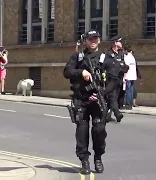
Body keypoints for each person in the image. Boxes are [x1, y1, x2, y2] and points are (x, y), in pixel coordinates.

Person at [63, 30, 106, 175]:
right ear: (86, 41)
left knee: (99, 131)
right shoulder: (78, 56)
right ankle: (84, 161)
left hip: (99, 100)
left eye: (95, 38)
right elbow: (67, 71)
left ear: (99, 40)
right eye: (90, 39)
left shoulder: (105, 57)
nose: (92, 41)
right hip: (81, 99)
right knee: (82, 131)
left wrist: (102, 94)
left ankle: (98, 158)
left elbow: (114, 79)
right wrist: (81, 72)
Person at [101, 36, 127, 122]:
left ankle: (106, 115)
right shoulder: (107, 53)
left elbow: (124, 65)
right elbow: (101, 65)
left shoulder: (120, 54)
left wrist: (124, 69)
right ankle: (117, 113)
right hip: (110, 79)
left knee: (114, 98)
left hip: (119, 79)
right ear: (115, 43)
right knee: (112, 97)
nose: (121, 43)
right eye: (120, 41)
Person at [123, 45, 137, 110]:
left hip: (128, 76)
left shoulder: (127, 58)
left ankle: (128, 105)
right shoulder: (132, 57)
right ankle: (130, 104)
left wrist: (124, 76)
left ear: (126, 50)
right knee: (131, 90)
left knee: (128, 91)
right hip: (133, 76)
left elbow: (125, 68)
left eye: (124, 50)